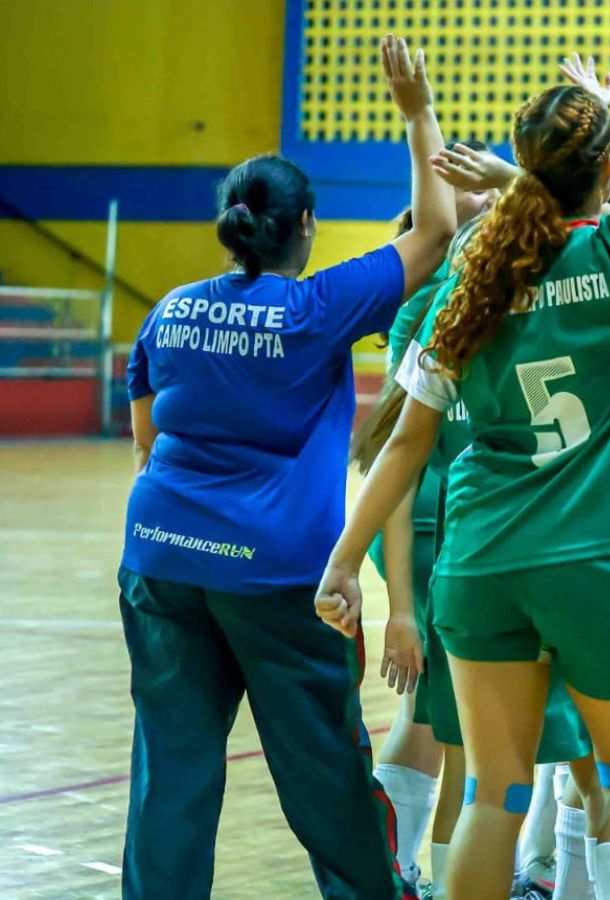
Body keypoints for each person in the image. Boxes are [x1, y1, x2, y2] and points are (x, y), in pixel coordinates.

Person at [314, 2, 610, 897]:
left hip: (482, 559)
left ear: (523, 169)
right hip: (605, 555)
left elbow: (404, 446)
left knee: (495, 789)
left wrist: (342, 563)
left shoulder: (474, 284)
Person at [117, 34, 455, 900]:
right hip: (278, 579)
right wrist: (417, 113)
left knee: (170, 776)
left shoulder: (171, 310)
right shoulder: (315, 306)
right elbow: (438, 231)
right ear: (305, 227)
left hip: (157, 558)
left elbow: (146, 439)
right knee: (323, 774)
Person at [353, 143, 499, 898]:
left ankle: (395, 867)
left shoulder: (494, 290)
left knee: (430, 716)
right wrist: (402, 606)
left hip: (462, 533)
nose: (490, 199)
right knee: (467, 735)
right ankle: (417, 873)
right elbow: (397, 454)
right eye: (473, 194)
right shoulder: (435, 299)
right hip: (433, 532)